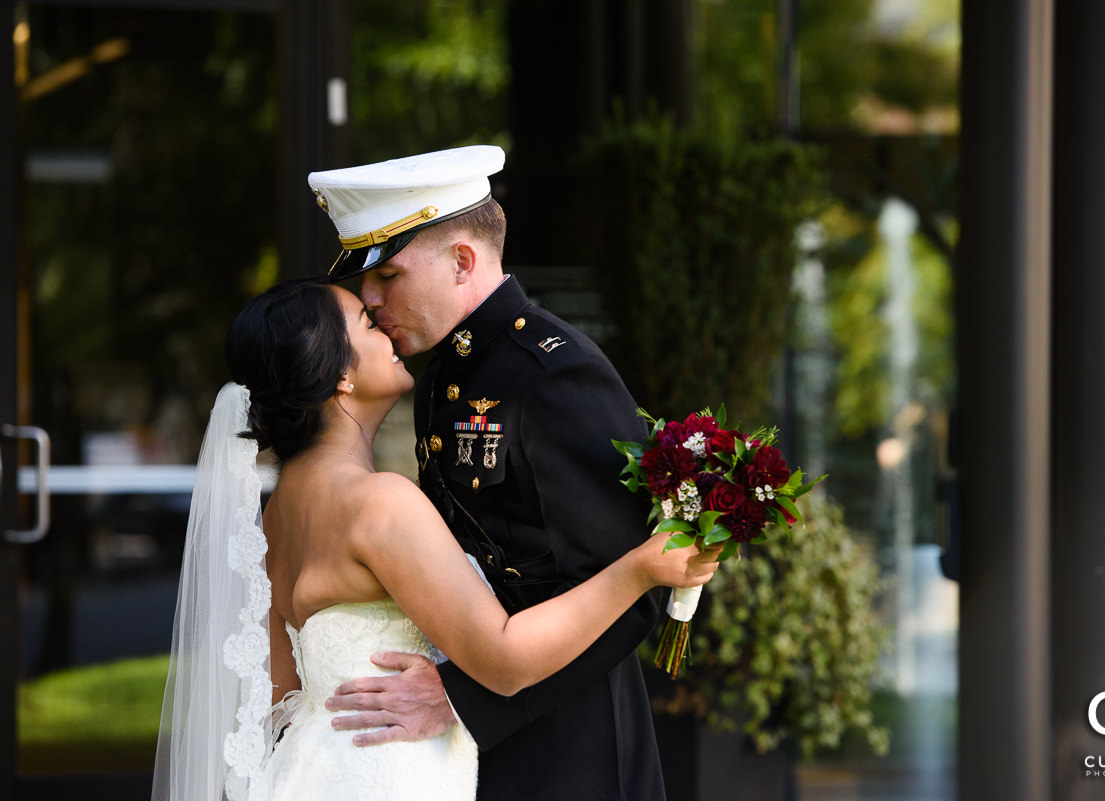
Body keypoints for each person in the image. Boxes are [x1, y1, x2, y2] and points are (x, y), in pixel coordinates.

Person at [152, 278, 719, 801]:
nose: (382, 318)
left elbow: (280, 690)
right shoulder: (379, 503)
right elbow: (503, 660)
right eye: (366, 323)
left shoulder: (277, 518)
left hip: (312, 774)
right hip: (391, 775)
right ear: (338, 374)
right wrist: (641, 569)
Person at [308, 145, 672, 800]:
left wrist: (464, 698)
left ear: (463, 261)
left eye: (388, 275)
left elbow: (638, 586)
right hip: (465, 747)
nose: (368, 295)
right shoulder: (442, 375)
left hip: (570, 749)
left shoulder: (555, 374)